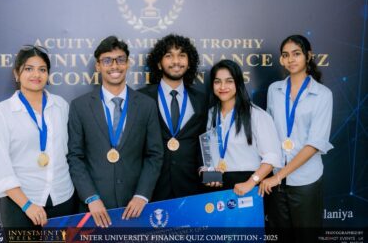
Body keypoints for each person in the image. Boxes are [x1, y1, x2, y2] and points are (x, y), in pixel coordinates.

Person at [67, 36, 164, 228]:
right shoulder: (80, 106)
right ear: (98, 66)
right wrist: (91, 197)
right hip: (94, 209)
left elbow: (155, 155)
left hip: (136, 207)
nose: (114, 66)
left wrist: (141, 195)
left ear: (127, 63)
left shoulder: (146, 105)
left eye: (120, 60)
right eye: (107, 60)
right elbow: (75, 157)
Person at [0, 45, 76, 227]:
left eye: (42, 69)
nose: (36, 74)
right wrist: (27, 205)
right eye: (29, 69)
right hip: (21, 204)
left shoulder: (61, 106)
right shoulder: (2, 113)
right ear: (17, 74)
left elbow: (72, 152)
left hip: (63, 198)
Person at [259, 35, 333, 240]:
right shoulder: (275, 89)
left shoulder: (323, 94)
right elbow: (268, 133)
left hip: (304, 181)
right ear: (281, 60)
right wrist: (271, 174)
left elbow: (314, 144)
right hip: (275, 181)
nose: (290, 59)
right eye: (285, 55)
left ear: (308, 56)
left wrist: (278, 176)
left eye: (296, 54)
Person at [139, 34, 208, 201]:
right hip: (151, 189)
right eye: (169, 56)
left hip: (191, 187)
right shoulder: (141, 98)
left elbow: (204, 141)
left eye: (182, 55)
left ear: (189, 62)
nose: (176, 61)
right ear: (159, 63)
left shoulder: (202, 99)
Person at [203, 60, 282, 196]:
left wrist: (251, 182)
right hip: (217, 187)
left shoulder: (257, 115)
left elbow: (272, 157)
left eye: (229, 81)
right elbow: (208, 153)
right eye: (217, 81)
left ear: (238, 83)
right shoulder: (210, 114)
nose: (223, 86)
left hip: (247, 186)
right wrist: (209, 174)